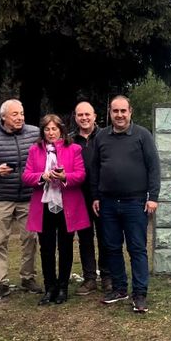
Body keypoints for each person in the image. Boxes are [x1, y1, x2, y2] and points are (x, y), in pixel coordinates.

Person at [92, 95, 159, 314]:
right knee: (112, 247)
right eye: (115, 111)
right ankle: (120, 289)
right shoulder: (101, 136)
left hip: (136, 202)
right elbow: (94, 169)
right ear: (109, 113)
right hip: (108, 202)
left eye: (123, 111)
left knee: (137, 248)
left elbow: (154, 167)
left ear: (130, 112)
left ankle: (139, 294)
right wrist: (95, 196)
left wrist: (153, 197)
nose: (119, 115)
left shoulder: (142, 135)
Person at [22, 114, 90, 305]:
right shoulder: (35, 150)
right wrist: (43, 176)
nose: (51, 133)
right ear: (42, 132)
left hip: (66, 205)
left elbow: (80, 175)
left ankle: (63, 287)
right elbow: (26, 176)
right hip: (43, 206)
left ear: (61, 130)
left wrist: (64, 176)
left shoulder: (74, 149)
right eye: (47, 129)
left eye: (54, 129)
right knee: (46, 248)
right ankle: (49, 287)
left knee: (66, 247)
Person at [0, 97, 41, 302]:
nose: (20, 118)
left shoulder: (34, 133)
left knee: (30, 238)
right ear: (3, 116)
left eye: (22, 114)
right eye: (15, 114)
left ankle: (28, 277)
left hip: (28, 196)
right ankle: (1, 283)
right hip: (1, 196)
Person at [69, 99, 110, 295]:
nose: (84, 118)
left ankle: (107, 276)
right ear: (75, 118)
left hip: (102, 195)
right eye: (80, 115)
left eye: (87, 114)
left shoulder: (106, 136)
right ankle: (89, 278)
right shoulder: (68, 140)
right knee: (85, 237)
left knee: (105, 237)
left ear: (95, 116)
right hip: (78, 196)